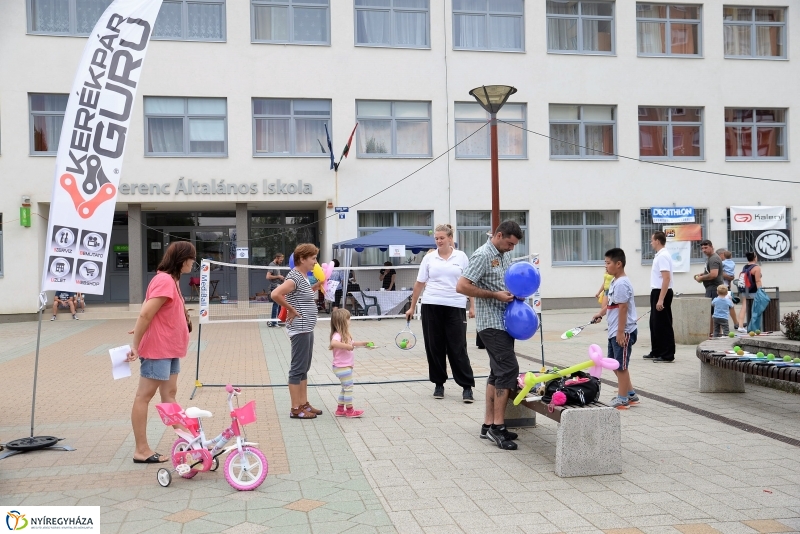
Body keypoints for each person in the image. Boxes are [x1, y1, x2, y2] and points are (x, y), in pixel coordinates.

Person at [126, 241, 196, 463]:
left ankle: (189, 439)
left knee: (169, 394)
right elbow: (146, 313)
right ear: (183, 259)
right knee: (144, 396)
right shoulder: (164, 280)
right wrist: (136, 343)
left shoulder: (170, 280)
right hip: (158, 349)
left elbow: (153, 313)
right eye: (191, 259)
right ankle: (141, 450)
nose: (193, 263)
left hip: (170, 348)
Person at [456, 220, 523, 451]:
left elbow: (506, 282)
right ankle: (498, 427)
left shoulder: (503, 254)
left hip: (506, 322)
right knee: (509, 370)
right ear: (499, 235)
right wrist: (494, 295)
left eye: (515, 245)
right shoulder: (483, 254)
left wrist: (515, 295)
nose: (512, 248)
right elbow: (462, 286)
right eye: (510, 243)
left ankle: (488, 424)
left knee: (497, 373)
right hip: (491, 324)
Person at [406, 223, 476, 403]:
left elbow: (469, 283)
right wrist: (412, 307)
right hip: (431, 304)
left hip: (455, 305)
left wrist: (472, 306)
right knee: (434, 347)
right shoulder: (429, 258)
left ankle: (466, 386)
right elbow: (419, 283)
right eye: (436, 238)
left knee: (457, 347)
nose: (438, 241)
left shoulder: (461, 257)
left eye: (442, 238)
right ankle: (439, 384)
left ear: (450, 238)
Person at [271, 244, 323, 419]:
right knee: (297, 368)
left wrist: (316, 287)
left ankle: (303, 403)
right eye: (313, 259)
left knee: (304, 368)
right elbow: (276, 294)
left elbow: (302, 294)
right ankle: (295, 409)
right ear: (302, 259)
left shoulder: (303, 276)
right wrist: (291, 309)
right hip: (300, 329)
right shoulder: (294, 277)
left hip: (307, 327)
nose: (315, 262)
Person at [592, 248, 642, 411]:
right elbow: (612, 305)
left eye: (608, 263)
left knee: (620, 365)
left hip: (623, 331)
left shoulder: (621, 283)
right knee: (614, 364)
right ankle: (630, 394)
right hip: (615, 330)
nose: (606, 267)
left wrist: (621, 332)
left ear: (618, 264)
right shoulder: (614, 281)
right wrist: (601, 313)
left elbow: (623, 309)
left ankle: (622, 399)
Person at [329, 309, 368, 418]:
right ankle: (350, 410)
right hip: (342, 367)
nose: (350, 320)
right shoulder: (337, 335)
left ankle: (340, 409)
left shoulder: (345, 334)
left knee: (344, 388)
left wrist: (364, 344)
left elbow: (353, 343)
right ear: (343, 321)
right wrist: (347, 347)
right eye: (348, 318)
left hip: (345, 367)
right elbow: (333, 343)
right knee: (349, 388)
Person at [645, 231, 675, 362]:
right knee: (655, 324)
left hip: (662, 292)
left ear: (657, 241)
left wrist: (661, 299)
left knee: (663, 324)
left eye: (652, 240)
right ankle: (656, 350)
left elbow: (666, 278)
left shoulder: (663, 256)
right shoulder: (659, 255)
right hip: (656, 291)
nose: (651, 243)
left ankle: (667, 354)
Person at [694, 240, 724, 337]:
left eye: (706, 248)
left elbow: (714, 274)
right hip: (711, 288)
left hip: (714, 289)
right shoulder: (710, 258)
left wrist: (702, 278)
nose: (704, 250)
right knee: (712, 313)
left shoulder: (713, 259)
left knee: (713, 313)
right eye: (702, 248)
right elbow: (711, 272)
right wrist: (703, 274)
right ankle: (714, 333)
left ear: (711, 247)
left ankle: (715, 333)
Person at [737, 252, 763, 333]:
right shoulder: (756, 268)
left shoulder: (745, 267)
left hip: (746, 290)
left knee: (744, 307)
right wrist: (761, 291)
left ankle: (740, 326)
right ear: (755, 258)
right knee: (756, 308)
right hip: (754, 290)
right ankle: (755, 326)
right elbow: (757, 280)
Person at [266, 253, 285, 327]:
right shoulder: (272, 265)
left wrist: (281, 278)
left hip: (278, 286)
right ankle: (274, 321)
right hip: (274, 287)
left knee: (280, 304)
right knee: (276, 304)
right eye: (280, 260)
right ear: (276, 258)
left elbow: (277, 276)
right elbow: (268, 276)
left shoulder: (277, 265)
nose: (281, 261)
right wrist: (278, 276)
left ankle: (278, 319)